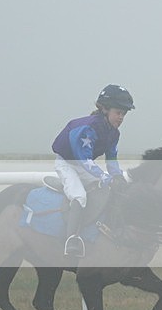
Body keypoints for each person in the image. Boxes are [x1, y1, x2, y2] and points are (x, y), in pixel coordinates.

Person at [51, 84, 134, 257]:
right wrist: (105, 177)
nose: (121, 118)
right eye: (118, 113)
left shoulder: (114, 133)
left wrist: (117, 176)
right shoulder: (88, 128)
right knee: (79, 196)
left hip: (82, 165)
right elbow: (84, 160)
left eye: (124, 114)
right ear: (105, 109)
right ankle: (71, 239)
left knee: (106, 191)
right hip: (67, 164)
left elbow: (111, 160)